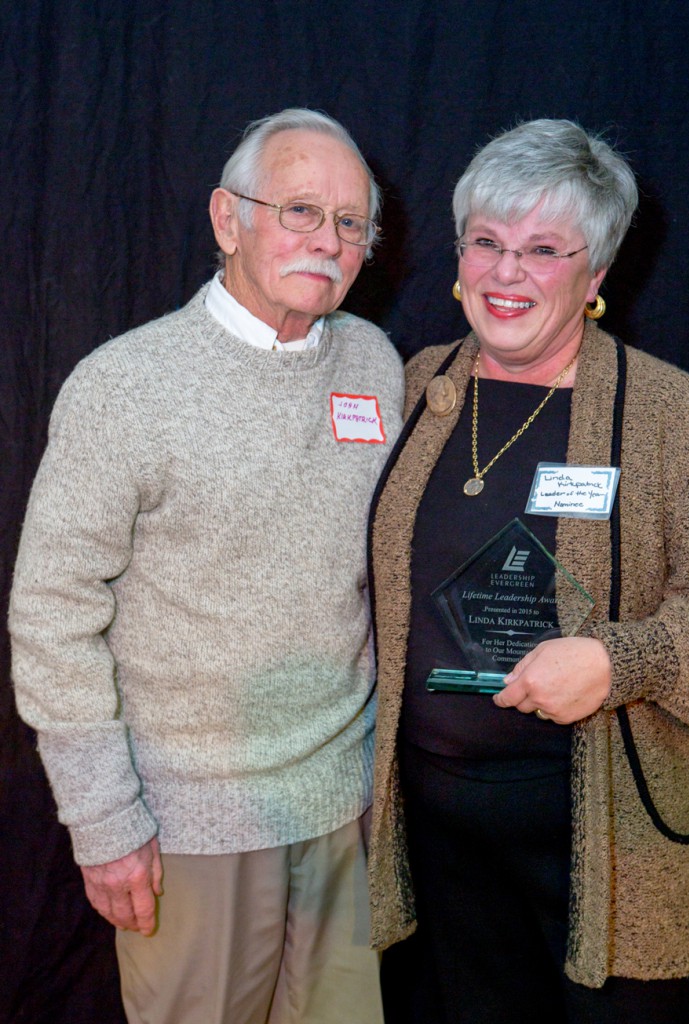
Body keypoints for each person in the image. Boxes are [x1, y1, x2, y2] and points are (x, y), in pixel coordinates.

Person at [366, 118, 689, 1023]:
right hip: (436, 854)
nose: (505, 272)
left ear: (594, 277)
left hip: (611, 852)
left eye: (543, 250)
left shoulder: (678, 418)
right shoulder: (412, 389)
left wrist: (615, 663)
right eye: (487, 242)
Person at [9, 108, 404, 1024]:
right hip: (187, 826)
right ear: (228, 220)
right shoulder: (125, 386)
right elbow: (51, 613)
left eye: (351, 223)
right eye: (300, 211)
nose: (329, 241)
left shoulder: (375, 366)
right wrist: (104, 822)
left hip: (340, 814)